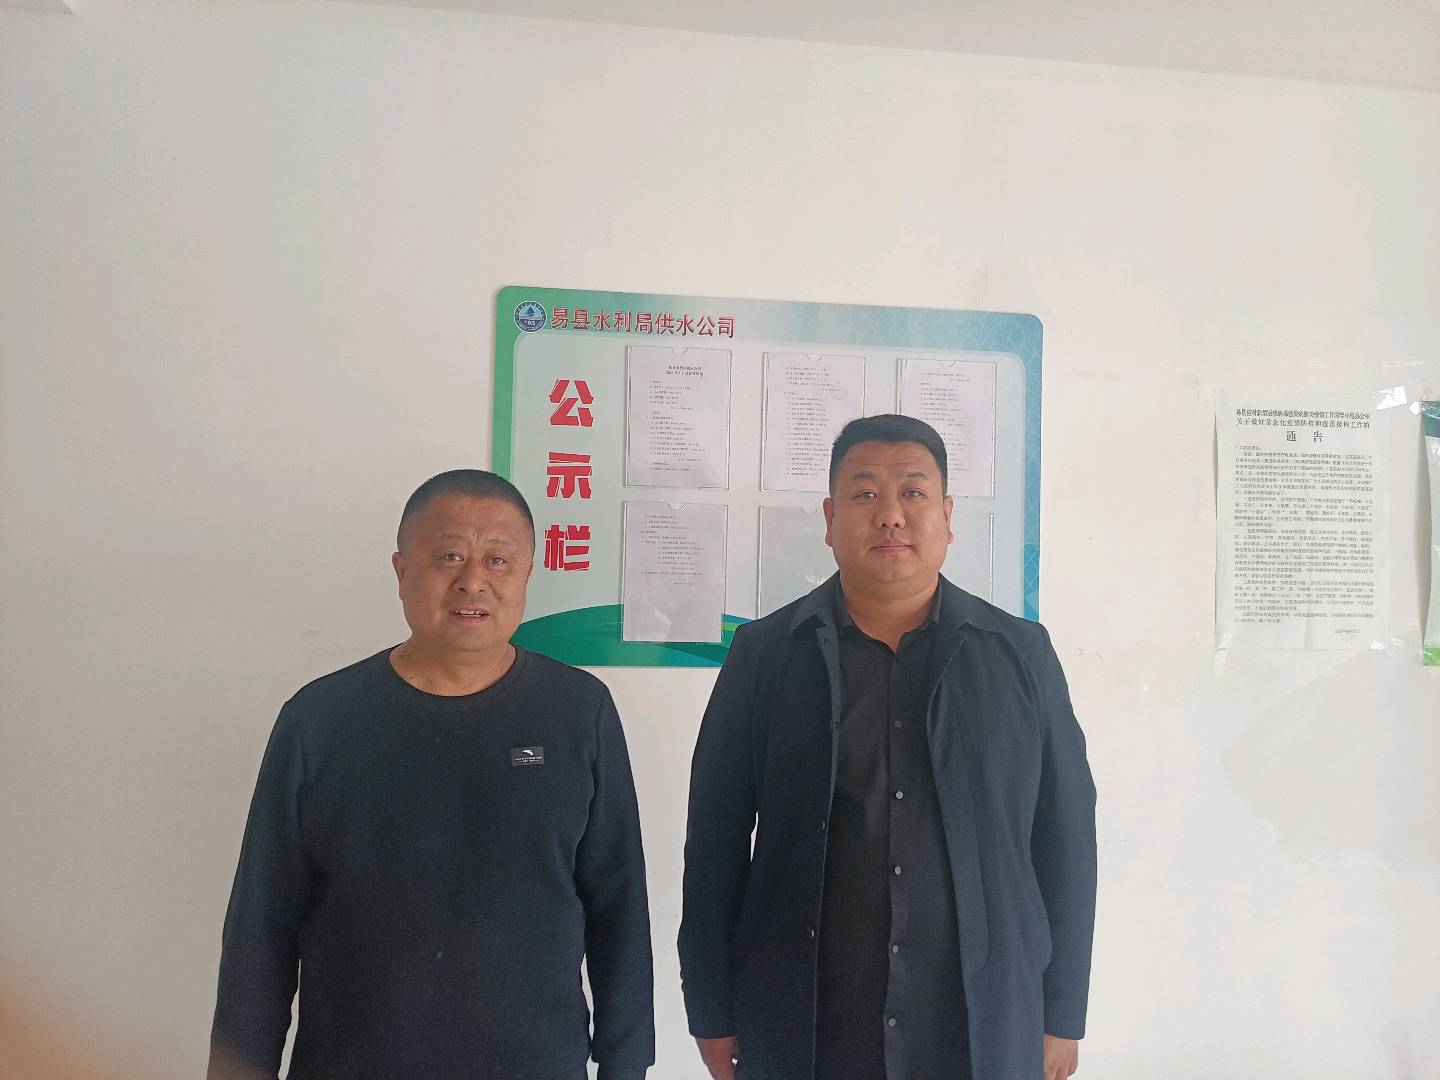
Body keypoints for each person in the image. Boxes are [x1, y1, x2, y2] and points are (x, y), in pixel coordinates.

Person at [679, 415, 1096, 1080]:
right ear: (830, 518)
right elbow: (714, 841)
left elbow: (1066, 838)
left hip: (983, 1020)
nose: (891, 515)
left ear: (948, 517)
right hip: (808, 1019)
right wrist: (711, 1008)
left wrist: (1063, 1012)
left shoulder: (1021, 655)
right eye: (865, 493)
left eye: (913, 492)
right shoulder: (764, 655)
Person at [209, 470, 654, 1080]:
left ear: (527, 573)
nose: (473, 580)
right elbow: (262, 923)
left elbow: (618, 904)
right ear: (401, 570)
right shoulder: (320, 719)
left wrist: (626, 1065)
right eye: (449, 556)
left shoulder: (579, 711)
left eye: (498, 559)